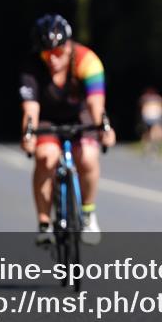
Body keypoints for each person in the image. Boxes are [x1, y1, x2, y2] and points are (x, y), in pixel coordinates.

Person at [20, 14, 116, 245]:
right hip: (48, 119)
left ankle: (88, 214)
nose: (53, 59)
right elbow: (30, 110)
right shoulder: (32, 67)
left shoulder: (87, 60)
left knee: (88, 156)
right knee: (46, 157)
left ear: (69, 45)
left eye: (58, 52)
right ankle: (44, 223)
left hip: (80, 116)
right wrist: (28, 134)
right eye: (46, 54)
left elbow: (95, 104)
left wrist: (104, 128)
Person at [137, 87, 162, 156]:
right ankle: (147, 146)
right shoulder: (144, 98)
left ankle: (155, 146)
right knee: (147, 133)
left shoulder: (159, 99)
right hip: (147, 118)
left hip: (157, 118)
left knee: (157, 132)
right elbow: (140, 107)